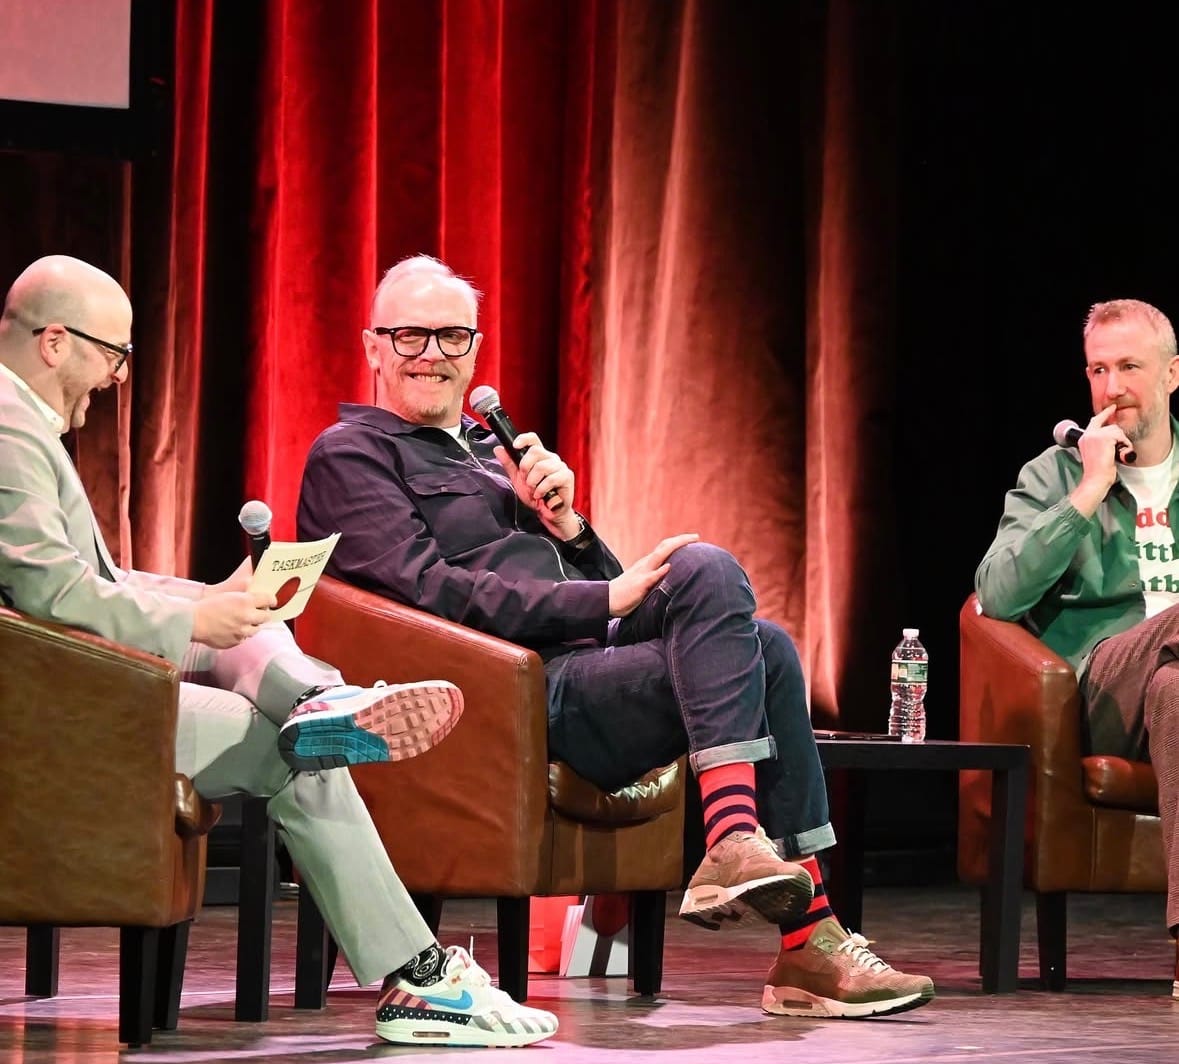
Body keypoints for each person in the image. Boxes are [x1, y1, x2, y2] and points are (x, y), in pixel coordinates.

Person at [296, 253, 935, 1019]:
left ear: (475, 348)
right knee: (757, 651)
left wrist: (566, 527)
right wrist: (603, 594)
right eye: (409, 337)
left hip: (578, 672)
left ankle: (749, 861)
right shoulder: (351, 455)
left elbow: (597, 596)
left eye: (452, 337)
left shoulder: (493, 461)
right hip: (505, 698)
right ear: (372, 347)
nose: (431, 354)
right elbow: (428, 593)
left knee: (719, 586)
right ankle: (806, 938)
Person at [0, 254, 559, 1048]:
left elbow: (95, 580)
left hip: (81, 682)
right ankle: (421, 978)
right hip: (57, 713)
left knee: (258, 625)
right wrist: (195, 623)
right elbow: (50, 598)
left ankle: (318, 702)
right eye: (112, 355)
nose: (117, 378)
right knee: (295, 755)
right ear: (55, 342)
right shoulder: (7, 427)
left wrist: (209, 600)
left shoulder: (19, 424)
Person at [975, 297, 1179, 1001]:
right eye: (1098, 369)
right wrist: (1089, 490)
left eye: (1128, 366)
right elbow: (994, 596)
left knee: (1175, 693)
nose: (1111, 386)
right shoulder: (1055, 474)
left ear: (1171, 374)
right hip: (1098, 689)